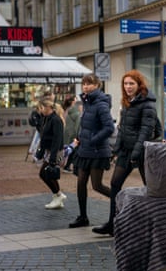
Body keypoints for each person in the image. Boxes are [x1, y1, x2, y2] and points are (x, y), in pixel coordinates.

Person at [92, 69, 158, 236]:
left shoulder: (147, 103)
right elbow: (122, 129)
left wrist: (136, 153)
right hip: (126, 152)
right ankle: (113, 224)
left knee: (151, 189)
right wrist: (116, 150)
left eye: (131, 83)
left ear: (139, 84)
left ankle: (155, 224)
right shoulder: (127, 102)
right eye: (126, 83)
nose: (128, 87)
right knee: (115, 184)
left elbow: (146, 131)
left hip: (142, 152)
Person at [68, 73, 115, 228]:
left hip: (97, 151)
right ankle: (83, 217)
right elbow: (86, 125)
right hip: (85, 150)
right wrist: (80, 138)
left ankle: (121, 202)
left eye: (89, 84)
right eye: (84, 84)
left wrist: (93, 140)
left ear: (97, 85)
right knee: (81, 182)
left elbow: (109, 128)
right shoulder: (87, 102)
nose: (85, 87)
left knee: (97, 185)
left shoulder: (100, 103)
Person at [37, 96, 67, 209]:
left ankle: (58, 195)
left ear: (47, 107)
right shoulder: (46, 118)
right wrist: (41, 152)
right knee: (47, 173)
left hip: (55, 151)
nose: (40, 110)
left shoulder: (56, 120)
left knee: (44, 173)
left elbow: (57, 140)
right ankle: (57, 196)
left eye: (41, 107)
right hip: (50, 151)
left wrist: (53, 157)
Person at [62, 95, 81, 173]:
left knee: (69, 150)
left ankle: (66, 165)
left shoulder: (66, 111)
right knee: (73, 150)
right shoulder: (77, 114)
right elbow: (77, 126)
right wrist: (77, 136)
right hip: (73, 134)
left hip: (66, 133)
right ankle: (68, 166)